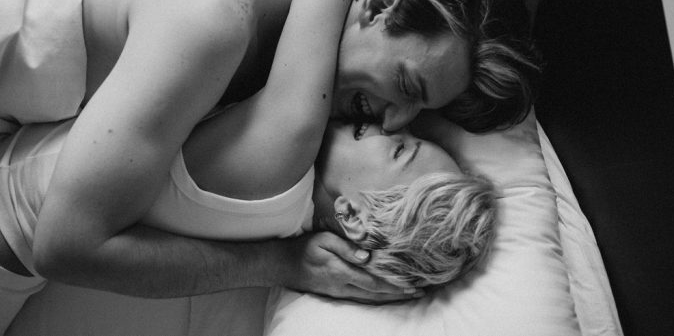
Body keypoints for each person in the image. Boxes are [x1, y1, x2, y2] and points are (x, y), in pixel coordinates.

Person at [2, 0, 549, 308]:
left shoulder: (303, 42)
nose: (394, 123)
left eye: (418, 118)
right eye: (406, 88)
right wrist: (280, 264)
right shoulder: (215, 25)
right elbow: (64, 246)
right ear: (378, 6)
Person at [0, 112, 496, 331]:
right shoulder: (286, 222)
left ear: (353, 215)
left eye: (401, 150)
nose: (391, 124)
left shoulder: (281, 162)